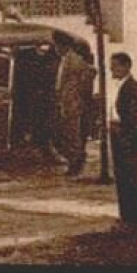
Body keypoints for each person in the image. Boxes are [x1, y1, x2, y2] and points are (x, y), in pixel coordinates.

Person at [108, 51, 137, 225]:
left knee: (129, 177)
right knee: (122, 176)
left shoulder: (132, 86)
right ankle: (126, 215)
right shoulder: (119, 85)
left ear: (126, 66)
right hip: (118, 134)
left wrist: (124, 128)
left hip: (127, 136)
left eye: (115, 66)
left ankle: (133, 217)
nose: (112, 69)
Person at [53, 43, 95, 176]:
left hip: (74, 105)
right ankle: (74, 163)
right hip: (69, 104)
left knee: (73, 136)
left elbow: (83, 87)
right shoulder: (68, 60)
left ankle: (75, 164)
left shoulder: (74, 62)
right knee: (70, 136)